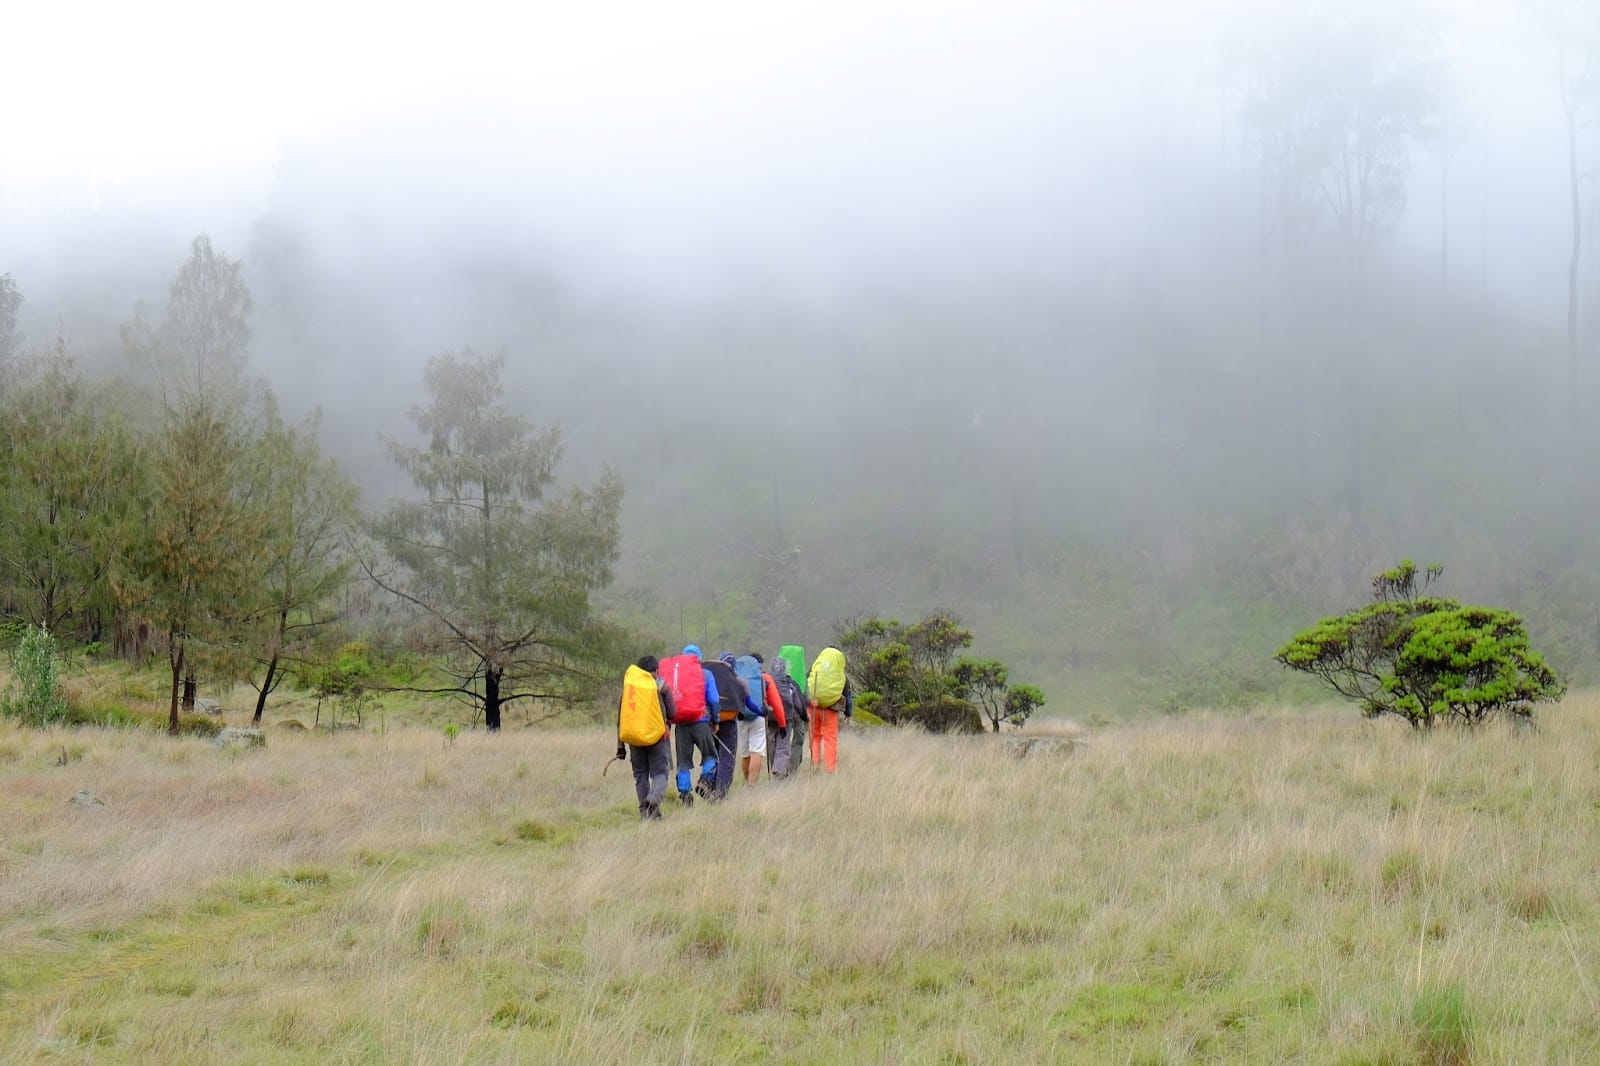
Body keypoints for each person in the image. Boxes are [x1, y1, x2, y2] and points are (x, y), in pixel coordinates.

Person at [616, 655, 673, 820]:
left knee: (640, 774)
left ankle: (645, 814)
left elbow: (621, 719)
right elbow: (673, 713)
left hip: (634, 739)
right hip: (657, 738)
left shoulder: (629, 689)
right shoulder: (660, 686)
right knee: (660, 773)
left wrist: (620, 746)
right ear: (655, 671)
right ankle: (653, 800)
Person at [662, 644, 720, 806]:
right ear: (699, 658)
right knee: (710, 755)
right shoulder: (706, 674)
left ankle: (685, 795)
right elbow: (714, 700)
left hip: (681, 725)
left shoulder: (675, 676)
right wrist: (715, 721)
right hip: (701, 723)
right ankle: (705, 782)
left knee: (683, 762)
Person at [706, 652, 759, 798]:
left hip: (709, 721)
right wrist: (762, 711)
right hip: (728, 722)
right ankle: (721, 793)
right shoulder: (739, 681)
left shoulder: (709, 676)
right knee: (727, 757)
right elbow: (750, 704)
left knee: (712, 755)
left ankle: (707, 784)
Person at [807, 646, 854, 773]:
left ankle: (815, 765)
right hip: (831, 710)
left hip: (813, 707)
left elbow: (807, 683)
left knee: (815, 737)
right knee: (830, 738)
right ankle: (830, 768)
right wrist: (848, 713)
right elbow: (848, 695)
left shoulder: (815, 667)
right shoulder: (841, 676)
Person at [769, 654, 806, 778]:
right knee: (783, 745)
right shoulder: (790, 683)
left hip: (769, 718)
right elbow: (798, 704)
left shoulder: (766, 680)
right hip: (786, 718)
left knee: (771, 743)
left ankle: (774, 766)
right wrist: (804, 717)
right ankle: (780, 772)